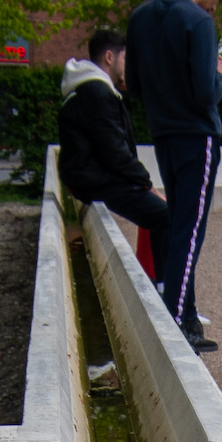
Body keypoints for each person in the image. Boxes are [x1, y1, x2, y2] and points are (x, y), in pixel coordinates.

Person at [125, 0, 222, 352]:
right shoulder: (198, 22)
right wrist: (218, 76)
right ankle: (173, 327)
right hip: (197, 135)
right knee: (189, 233)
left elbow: (134, 84)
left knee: (180, 225)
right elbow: (206, 93)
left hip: (164, 134)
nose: (214, 5)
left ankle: (187, 320)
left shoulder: (140, 17)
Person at [57, 29, 172, 266]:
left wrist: (144, 186)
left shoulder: (87, 88)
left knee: (163, 211)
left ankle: (159, 283)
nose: (129, 68)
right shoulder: (98, 92)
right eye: (126, 60)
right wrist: (147, 186)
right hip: (93, 181)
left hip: (89, 177)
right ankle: (163, 292)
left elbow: (112, 149)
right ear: (110, 57)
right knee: (168, 216)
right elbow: (116, 153)